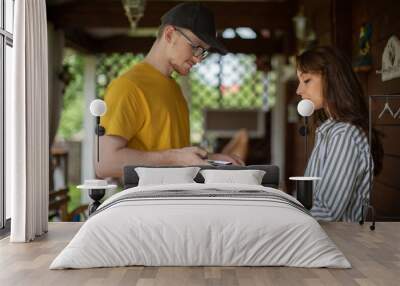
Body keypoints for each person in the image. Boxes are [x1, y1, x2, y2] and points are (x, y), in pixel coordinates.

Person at [96, 3, 243, 179]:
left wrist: (212, 159)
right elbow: (104, 163)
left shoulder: (174, 89)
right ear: (170, 34)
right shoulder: (128, 86)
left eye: (203, 52)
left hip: (177, 202)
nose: (198, 59)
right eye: (195, 47)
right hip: (147, 205)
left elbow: (174, 154)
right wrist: (175, 158)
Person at [296, 46, 383, 222]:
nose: (299, 90)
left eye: (306, 81)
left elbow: (327, 212)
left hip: (335, 245)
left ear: (330, 80)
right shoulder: (329, 131)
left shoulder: (344, 135)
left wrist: (278, 218)